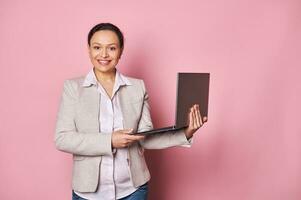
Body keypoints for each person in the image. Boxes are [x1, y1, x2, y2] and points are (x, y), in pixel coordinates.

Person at [55, 22, 207, 200]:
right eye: (97, 47)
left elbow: (145, 138)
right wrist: (110, 140)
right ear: (89, 50)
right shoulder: (73, 88)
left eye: (111, 48)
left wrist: (187, 132)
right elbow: (62, 138)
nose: (103, 54)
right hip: (88, 193)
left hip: (133, 190)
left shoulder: (137, 87)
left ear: (120, 51)